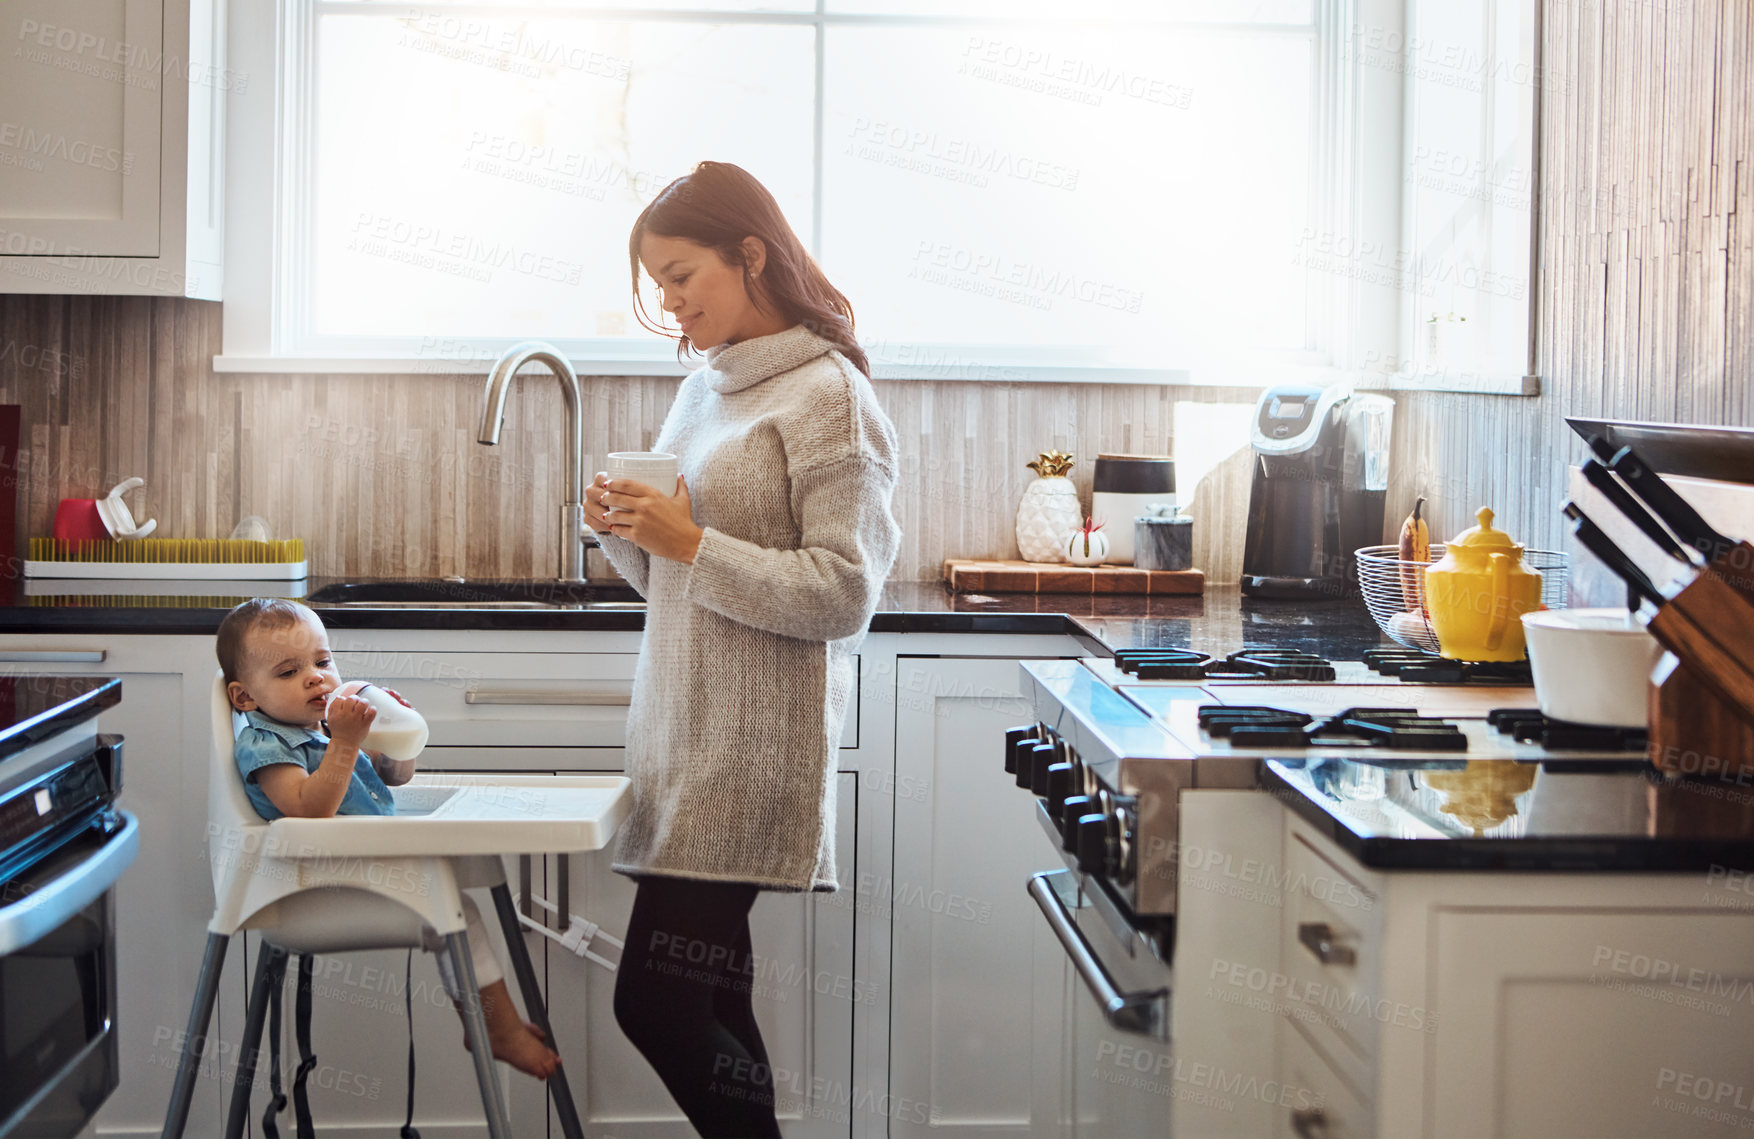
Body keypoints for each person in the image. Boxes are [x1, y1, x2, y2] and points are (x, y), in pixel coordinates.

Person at [587, 160, 901, 1138]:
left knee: (656, 1001)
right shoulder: (706, 390)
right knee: (714, 1001)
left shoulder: (826, 395)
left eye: (681, 275)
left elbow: (843, 591)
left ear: (749, 254)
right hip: (682, 736)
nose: (668, 303)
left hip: (751, 748)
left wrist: (688, 540)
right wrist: (627, 532)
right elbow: (678, 578)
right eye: (657, 285)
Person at [215, 597, 561, 1080]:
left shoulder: (321, 730)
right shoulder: (267, 743)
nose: (316, 678)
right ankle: (495, 1029)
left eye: (322, 661)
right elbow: (310, 809)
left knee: (473, 885)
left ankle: (491, 1025)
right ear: (245, 697)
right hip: (312, 887)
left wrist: (396, 742)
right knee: (459, 915)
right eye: (289, 671)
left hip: (360, 866)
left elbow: (390, 781)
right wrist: (345, 742)